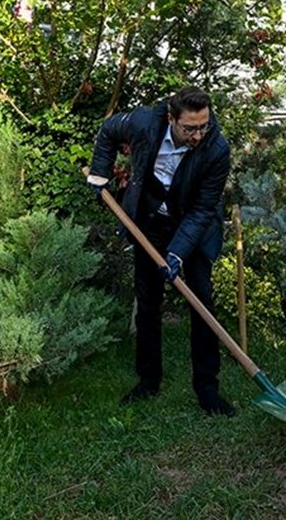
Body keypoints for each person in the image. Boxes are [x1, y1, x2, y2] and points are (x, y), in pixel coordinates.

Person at [87, 86, 235, 416]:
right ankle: (148, 380)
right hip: (149, 223)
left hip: (193, 227)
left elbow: (202, 210)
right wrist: (100, 172)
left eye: (203, 126)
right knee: (148, 303)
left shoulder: (216, 149)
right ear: (171, 119)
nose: (198, 135)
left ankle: (207, 387)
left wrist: (177, 254)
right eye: (190, 128)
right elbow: (108, 130)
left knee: (202, 304)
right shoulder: (143, 123)